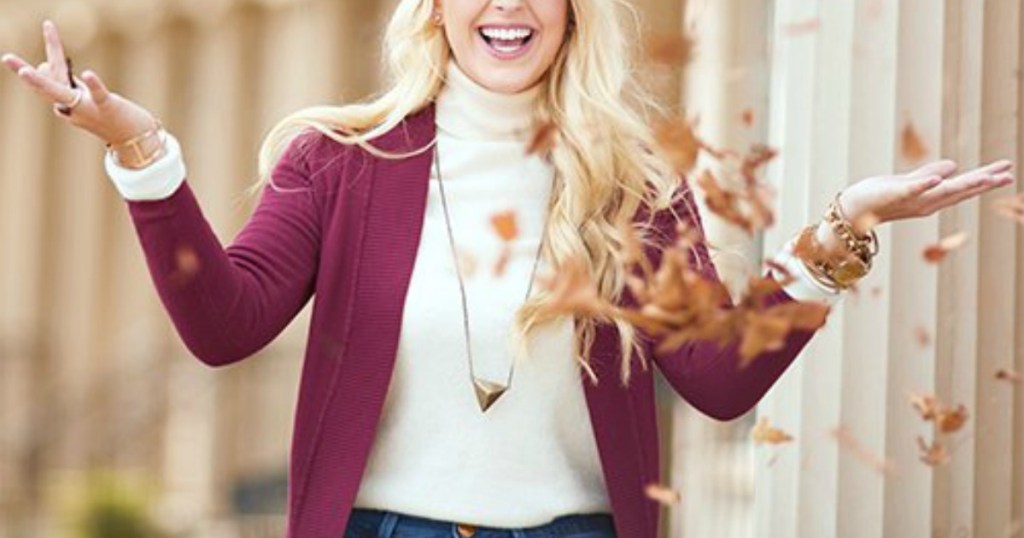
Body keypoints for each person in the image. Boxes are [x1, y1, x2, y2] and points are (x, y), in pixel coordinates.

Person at [2, 1, 1015, 537]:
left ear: (572, 10)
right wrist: (142, 153)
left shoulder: (633, 186)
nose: (507, 3)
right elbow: (225, 326)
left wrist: (839, 228)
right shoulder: (339, 164)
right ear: (434, 5)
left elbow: (715, 378)